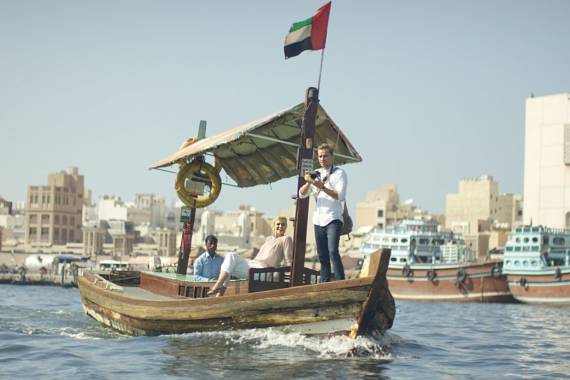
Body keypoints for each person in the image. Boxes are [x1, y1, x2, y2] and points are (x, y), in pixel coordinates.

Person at [207, 216, 292, 296]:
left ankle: (218, 286)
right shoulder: (269, 239)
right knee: (229, 257)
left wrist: (290, 276)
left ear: (286, 227)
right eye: (278, 224)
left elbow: (288, 260)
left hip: (263, 270)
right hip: (254, 264)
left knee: (231, 258)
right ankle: (219, 293)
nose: (280, 226)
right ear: (274, 226)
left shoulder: (286, 239)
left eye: (283, 224)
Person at [298, 143, 347, 282]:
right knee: (322, 256)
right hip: (318, 220)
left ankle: (340, 282)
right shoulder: (316, 173)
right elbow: (301, 194)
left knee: (333, 251)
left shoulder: (339, 173)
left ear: (332, 157)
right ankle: (324, 284)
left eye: (325, 156)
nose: (322, 159)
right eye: (320, 156)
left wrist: (322, 187)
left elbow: (340, 196)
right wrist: (308, 182)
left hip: (333, 219)